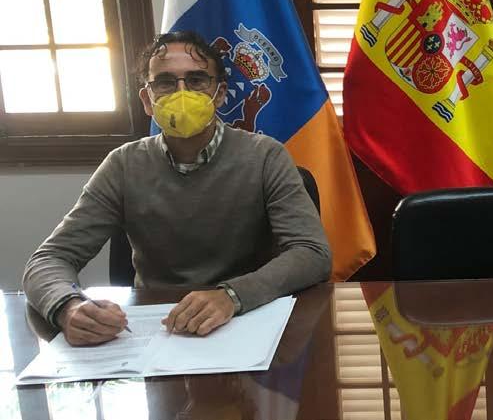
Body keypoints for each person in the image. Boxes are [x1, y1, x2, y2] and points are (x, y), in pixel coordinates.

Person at [23, 31, 331, 345]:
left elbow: (312, 253)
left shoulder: (266, 156)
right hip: (155, 329)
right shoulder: (123, 165)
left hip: (247, 320)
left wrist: (231, 296)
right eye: (165, 82)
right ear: (147, 100)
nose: (182, 93)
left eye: (197, 80)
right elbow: (49, 259)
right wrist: (68, 306)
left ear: (220, 94)